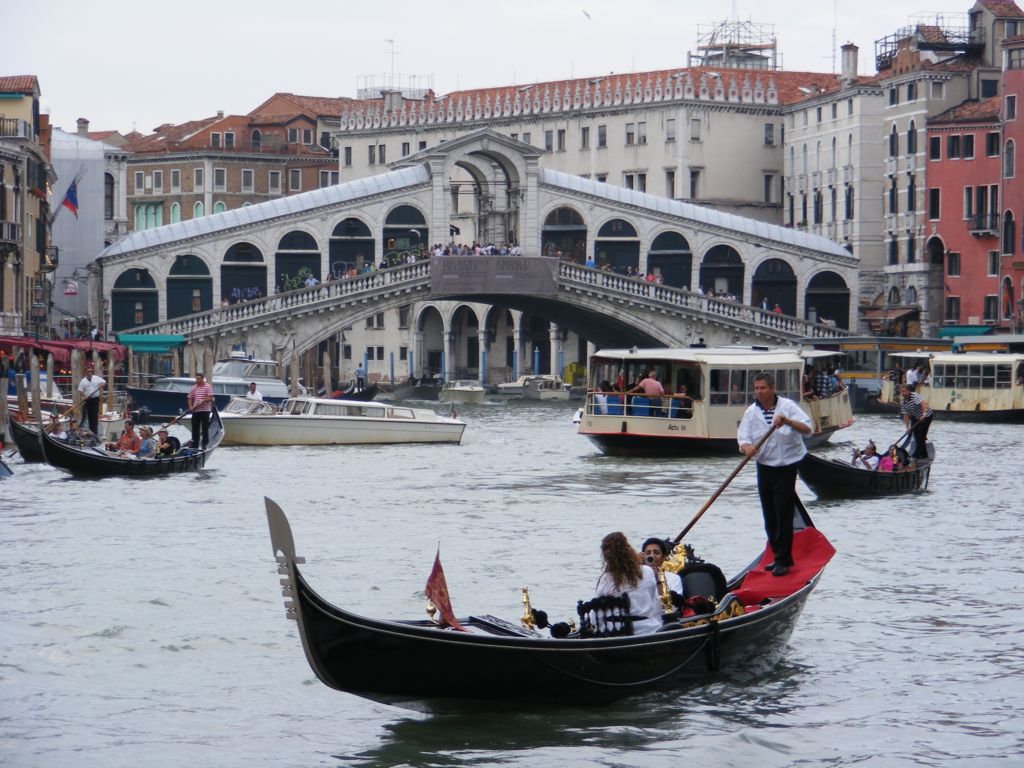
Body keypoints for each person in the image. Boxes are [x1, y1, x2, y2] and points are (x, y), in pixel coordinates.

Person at [737, 372, 813, 577]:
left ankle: (783, 560)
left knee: (783, 511)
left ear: (772, 389)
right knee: (769, 513)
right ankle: (778, 555)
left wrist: (787, 421)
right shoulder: (751, 412)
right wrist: (747, 448)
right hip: (764, 465)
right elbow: (743, 437)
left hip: (787, 465)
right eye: (756, 388)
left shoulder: (787, 407)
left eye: (763, 388)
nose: (759, 392)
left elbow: (808, 429)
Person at [594, 532, 662, 635]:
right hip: (647, 629)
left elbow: (597, 612)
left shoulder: (606, 578)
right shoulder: (648, 571)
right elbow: (653, 601)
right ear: (628, 549)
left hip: (616, 632)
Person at [640, 537, 683, 604]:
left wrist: (656, 577)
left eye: (656, 553)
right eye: (648, 553)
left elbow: (673, 607)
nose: (652, 556)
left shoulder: (673, 578)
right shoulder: (636, 577)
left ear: (664, 557)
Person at [899, 383, 933, 460]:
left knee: (920, 435)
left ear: (908, 391)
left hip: (927, 416)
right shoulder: (903, 402)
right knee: (916, 435)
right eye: (901, 392)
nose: (902, 393)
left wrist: (924, 414)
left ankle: (916, 454)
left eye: (904, 391)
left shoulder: (914, 396)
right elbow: (906, 416)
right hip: (915, 417)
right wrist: (907, 428)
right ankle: (923, 454)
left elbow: (923, 403)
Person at [187, 372, 215, 450]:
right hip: (196, 410)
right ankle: (195, 443)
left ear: (202, 379)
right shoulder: (194, 387)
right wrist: (190, 406)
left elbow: (210, 398)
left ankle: (204, 444)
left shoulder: (208, 387)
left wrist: (202, 401)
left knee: (205, 427)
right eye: (196, 379)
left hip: (205, 410)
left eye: (199, 379)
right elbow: (190, 398)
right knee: (195, 427)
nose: (197, 380)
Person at [77, 364, 106, 436]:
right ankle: (91, 431)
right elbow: (80, 391)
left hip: (95, 399)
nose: (89, 372)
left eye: (91, 371)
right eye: (88, 371)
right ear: (85, 372)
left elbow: (104, 382)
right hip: (88, 400)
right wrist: (84, 396)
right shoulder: (83, 381)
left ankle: (95, 432)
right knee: (89, 415)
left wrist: (102, 385)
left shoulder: (96, 378)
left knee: (94, 415)